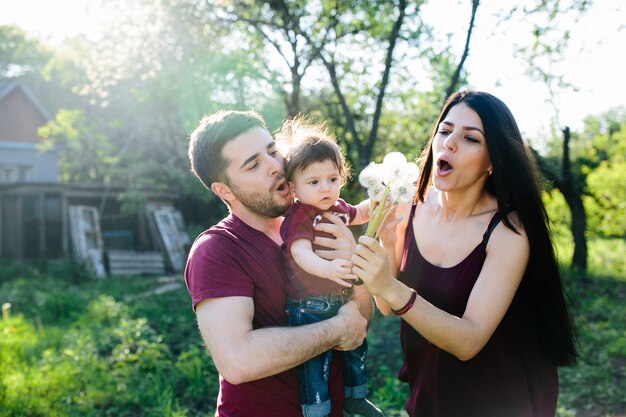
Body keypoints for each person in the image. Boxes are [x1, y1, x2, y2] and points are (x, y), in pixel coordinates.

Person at [350, 91, 578, 417]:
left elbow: (468, 341)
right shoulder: (407, 205)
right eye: (444, 131)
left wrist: (388, 286)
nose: (449, 143)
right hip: (431, 394)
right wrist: (386, 247)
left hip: (502, 402)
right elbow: (387, 305)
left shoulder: (509, 231)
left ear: (492, 161)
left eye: (471, 138)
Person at [185, 110, 373, 417]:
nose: (275, 166)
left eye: (272, 151)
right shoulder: (217, 249)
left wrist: (356, 274)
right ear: (224, 190)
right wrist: (338, 328)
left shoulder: (314, 223)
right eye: (254, 165)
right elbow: (238, 361)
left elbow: (360, 321)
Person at [276, 119, 383, 417]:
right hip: (307, 303)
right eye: (313, 182)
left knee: (355, 348)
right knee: (314, 362)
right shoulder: (301, 214)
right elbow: (300, 252)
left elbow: (361, 212)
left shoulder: (337, 207)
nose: (326, 188)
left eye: (332, 179)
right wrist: (327, 269)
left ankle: (355, 395)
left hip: (339, 299)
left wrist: (386, 200)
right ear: (293, 187)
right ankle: (316, 410)